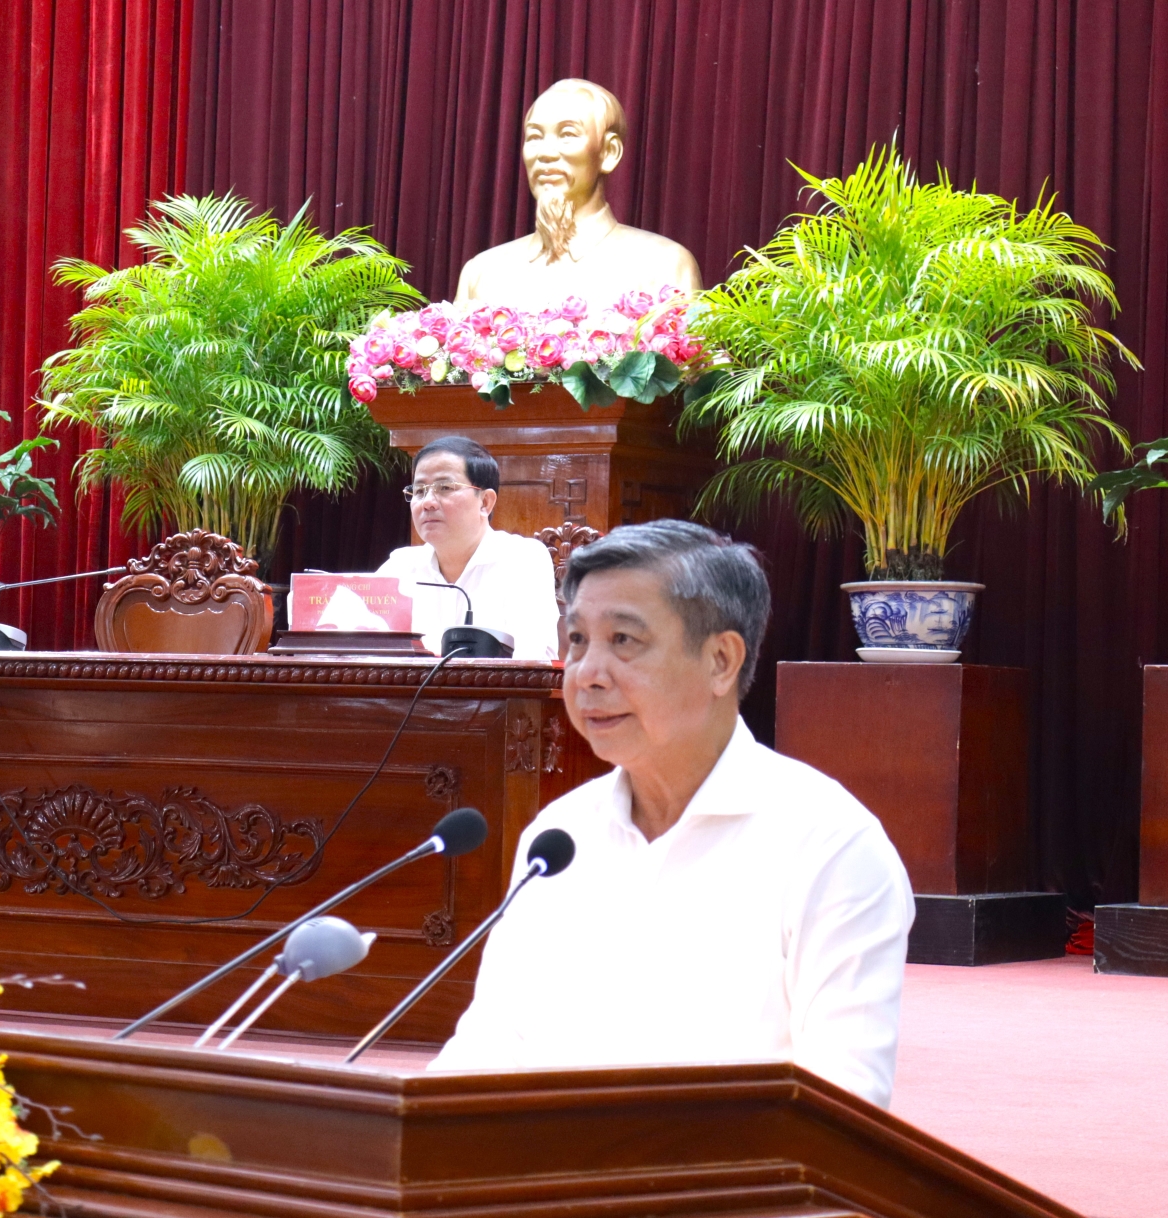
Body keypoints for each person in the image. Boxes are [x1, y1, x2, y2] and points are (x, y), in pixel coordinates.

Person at [430, 520, 914, 1108]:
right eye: (577, 639)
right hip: (552, 1162)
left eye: (624, 640)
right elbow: (490, 1046)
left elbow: (844, 1105)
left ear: (720, 661)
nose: (587, 674)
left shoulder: (830, 845)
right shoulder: (559, 837)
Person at [455, 78, 701, 308]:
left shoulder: (664, 267)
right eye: (534, 137)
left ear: (609, 152)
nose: (545, 153)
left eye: (567, 135)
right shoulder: (482, 273)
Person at [375, 437, 561, 659]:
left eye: (445, 487)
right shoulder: (400, 568)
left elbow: (528, 660)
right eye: (419, 490)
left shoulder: (523, 559)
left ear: (485, 502)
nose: (427, 502)